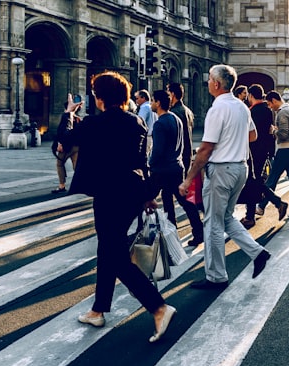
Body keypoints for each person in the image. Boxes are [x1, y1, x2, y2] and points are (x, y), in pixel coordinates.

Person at [61, 71, 176, 342]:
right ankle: (98, 309)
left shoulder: (95, 123)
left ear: (100, 98)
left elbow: (65, 139)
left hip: (109, 195)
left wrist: (68, 113)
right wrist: (148, 195)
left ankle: (158, 307)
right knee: (108, 248)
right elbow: (141, 160)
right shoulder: (136, 121)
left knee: (116, 256)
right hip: (134, 192)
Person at [178, 64, 271, 290]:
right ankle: (257, 253)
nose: (208, 82)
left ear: (216, 84)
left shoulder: (217, 109)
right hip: (240, 168)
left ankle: (216, 276)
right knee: (226, 217)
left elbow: (206, 148)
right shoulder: (242, 107)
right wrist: (233, 141)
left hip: (221, 170)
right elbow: (253, 135)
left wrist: (188, 179)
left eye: (209, 79)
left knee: (212, 224)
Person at [148, 90, 204, 244]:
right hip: (176, 167)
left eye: (152, 100)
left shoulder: (160, 123)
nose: (151, 103)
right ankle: (197, 231)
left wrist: (150, 163)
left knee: (144, 198)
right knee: (183, 201)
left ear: (158, 103)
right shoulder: (175, 118)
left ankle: (138, 235)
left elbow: (158, 150)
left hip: (161, 170)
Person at [240, 84, 288, 227]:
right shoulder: (268, 110)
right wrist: (270, 151)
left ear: (251, 96)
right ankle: (273, 204)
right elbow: (269, 132)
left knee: (252, 182)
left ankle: (253, 214)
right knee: (254, 182)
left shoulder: (252, 112)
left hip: (253, 152)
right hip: (263, 151)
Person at [258, 91, 289, 219]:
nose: (270, 107)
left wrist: (274, 130)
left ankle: (260, 207)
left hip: (285, 149)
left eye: (269, 104)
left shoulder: (282, 112)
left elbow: (283, 134)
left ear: (274, 100)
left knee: (272, 179)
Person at [51, 98, 81, 193]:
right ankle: (80, 186)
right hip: (76, 146)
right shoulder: (78, 119)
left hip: (66, 147)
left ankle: (62, 185)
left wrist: (59, 143)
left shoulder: (66, 117)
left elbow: (61, 132)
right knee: (76, 167)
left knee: (59, 164)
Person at [134, 89, 156, 155]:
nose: (136, 100)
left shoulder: (144, 107)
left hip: (146, 137)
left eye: (137, 98)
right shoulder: (151, 107)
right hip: (152, 136)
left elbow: (140, 122)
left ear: (143, 98)